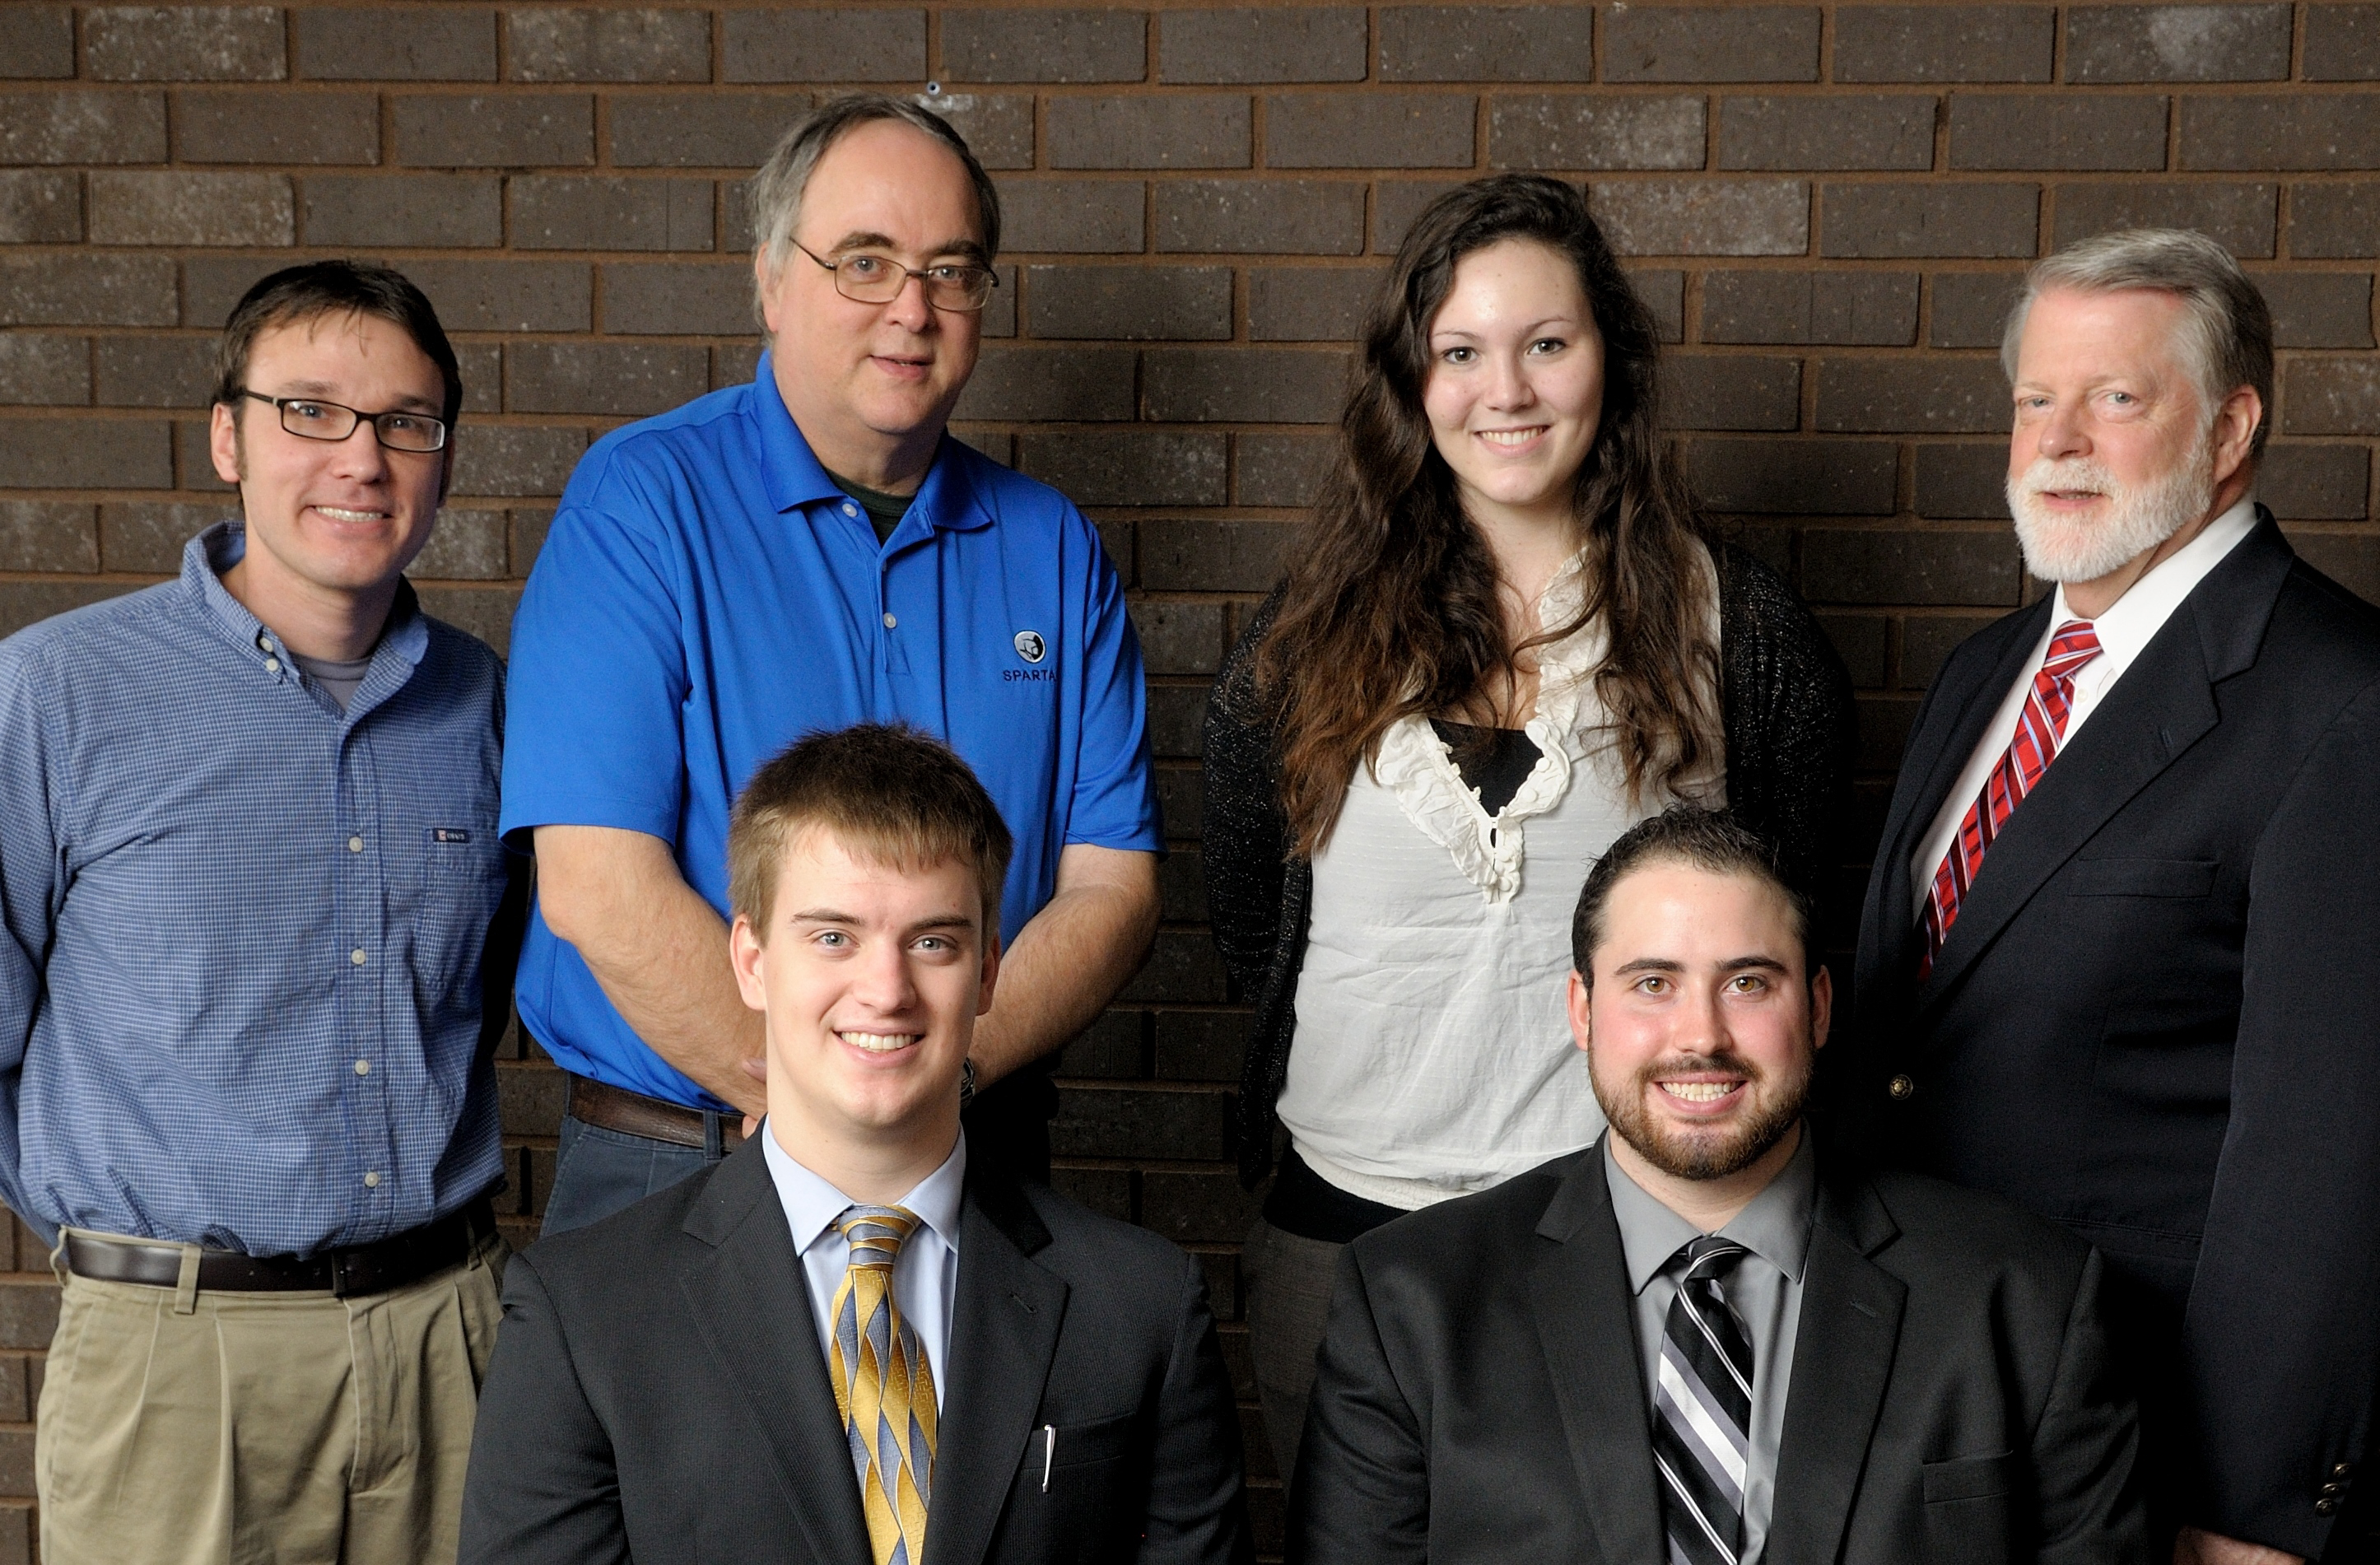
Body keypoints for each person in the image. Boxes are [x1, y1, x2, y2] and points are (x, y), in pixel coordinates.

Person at [1201, 173, 1856, 1474]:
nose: (1505, 391)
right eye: (1459, 352)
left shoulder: (1732, 627)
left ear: (1606, 358)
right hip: (1340, 1236)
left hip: (1628, 1236)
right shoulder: (1304, 640)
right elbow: (1250, 916)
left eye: (1544, 344)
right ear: (1412, 379)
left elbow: (1799, 915)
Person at [502, 93, 1162, 1232]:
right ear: (770, 278)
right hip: (683, 1165)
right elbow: (595, 882)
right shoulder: (642, 505)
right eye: (865, 261)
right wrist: (818, 1111)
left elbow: (1112, 887)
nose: (911, 309)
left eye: (951, 271)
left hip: (976, 1159)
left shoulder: (1050, 546)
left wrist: (925, 1086)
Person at [1849, 227, 2380, 1565]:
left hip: (2144, 1448)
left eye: (2116, 398)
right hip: (1924, 1400)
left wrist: (2247, 1506)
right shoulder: (1988, 675)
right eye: (2035, 399)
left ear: (2231, 424)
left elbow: (2325, 1145)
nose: (2057, 439)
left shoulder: (2340, 700)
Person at [0, 260, 520, 1563]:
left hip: (449, 1344)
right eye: (310, 411)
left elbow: (492, 993)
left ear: (444, 460)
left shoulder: (491, 708)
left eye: (407, 421)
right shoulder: (54, 696)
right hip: (176, 1365)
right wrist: (132, 1259)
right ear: (226, 435)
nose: (362, 458)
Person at [460, 724, 1249, 1564]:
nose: (885, 989)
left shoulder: (1140, 1305)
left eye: (932, 941)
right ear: (753, 959)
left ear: (986, 972)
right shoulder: (583, 1315)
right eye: (832, 936)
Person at [1291, 807, 2147, 1565]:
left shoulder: (2026, 1299)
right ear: (1581, 1010)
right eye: (1652, 983)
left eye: (1746, 981)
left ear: (1815, 1007)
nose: (1699, 1035)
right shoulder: (1412, 1303)